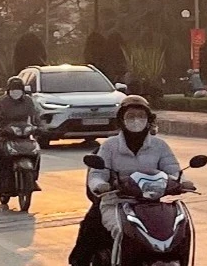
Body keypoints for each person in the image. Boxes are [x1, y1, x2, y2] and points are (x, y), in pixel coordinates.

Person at [71, 95, 190, 265]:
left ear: (149, 120)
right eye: (130, 116)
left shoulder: (159, 146)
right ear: (121, 120)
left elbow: (173, 170)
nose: (136, 120)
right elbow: (97, 174)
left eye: (141, 116)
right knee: (115, 231)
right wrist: (101, 185)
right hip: (116, 202)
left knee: (180, 230)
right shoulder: (109, 146)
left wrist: (183, 182)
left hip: (154, 204)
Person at [0, 76, 42, 192]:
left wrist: (39, 127)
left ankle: (33, 179)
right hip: (5, 135)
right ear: (8, 90)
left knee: (36, 154)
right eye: (13, 89)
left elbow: (35, 116)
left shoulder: (28, 101)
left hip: (24, 135)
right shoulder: (1, 101)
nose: (16, 91)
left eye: (18, 89)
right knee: (0, 156)